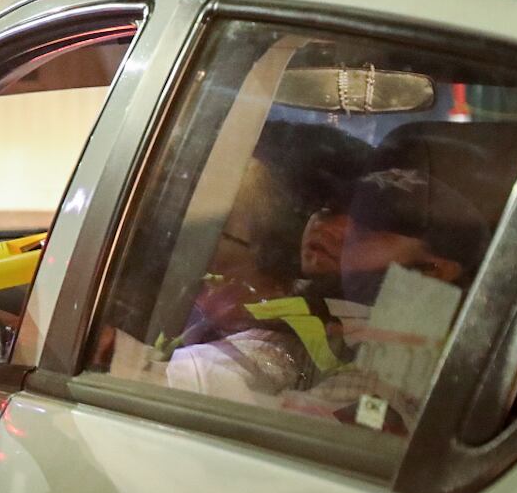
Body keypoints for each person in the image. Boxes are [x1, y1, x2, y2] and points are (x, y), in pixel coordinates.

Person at [166, 165, 487, 423]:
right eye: (326, 211)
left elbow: (343, 411)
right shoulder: (337, 319)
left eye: (366, 233)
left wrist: (183, 373)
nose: (338, 234)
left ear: (436, 269)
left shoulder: (426, 354)